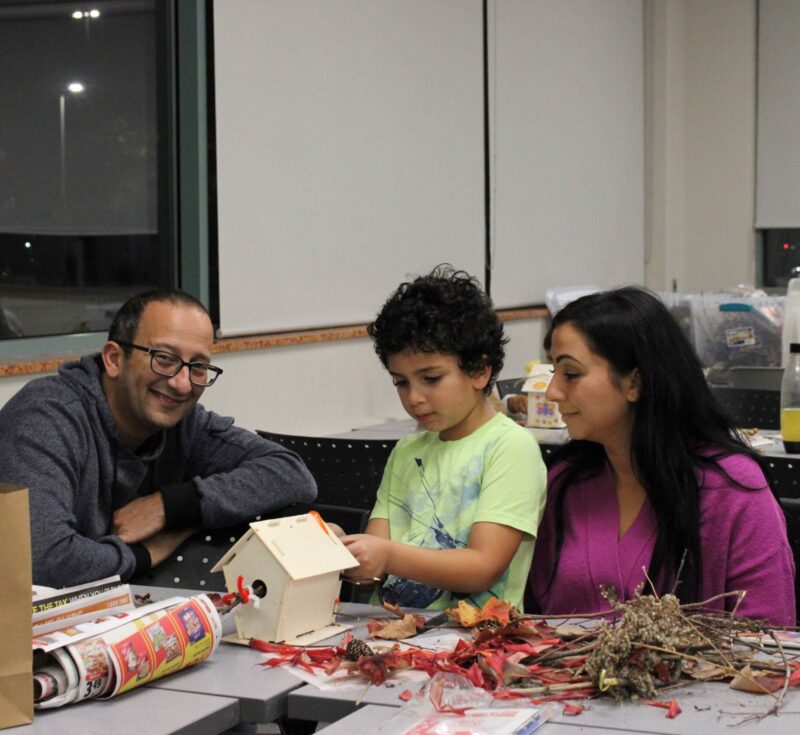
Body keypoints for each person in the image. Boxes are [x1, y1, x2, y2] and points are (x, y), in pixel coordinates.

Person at [0, 290, 317, 587]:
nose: (182, 384)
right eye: (164, 358)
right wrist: (144, 554)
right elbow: (42, 562)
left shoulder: (185, 425)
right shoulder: (46, 418)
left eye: (198, 366)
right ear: (114, 359)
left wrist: (173, 507)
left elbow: (291, 474)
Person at [526, 287, 795, 625]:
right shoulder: (565, 481)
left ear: (635, 382)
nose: (552, 392)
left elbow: (769, 636)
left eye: (571, 373)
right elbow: (530, 623)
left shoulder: (732, 490)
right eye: (553, 372)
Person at [340, 266, 547, 611]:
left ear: (480, 370)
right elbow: (372, 571)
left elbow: (482, 567)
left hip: (477, 637)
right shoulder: (407, 451)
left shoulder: (510, 447)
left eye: (431, 378)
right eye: (401, 382)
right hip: (388, 631)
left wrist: (386, 554)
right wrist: (342, 551)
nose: (414, 397)